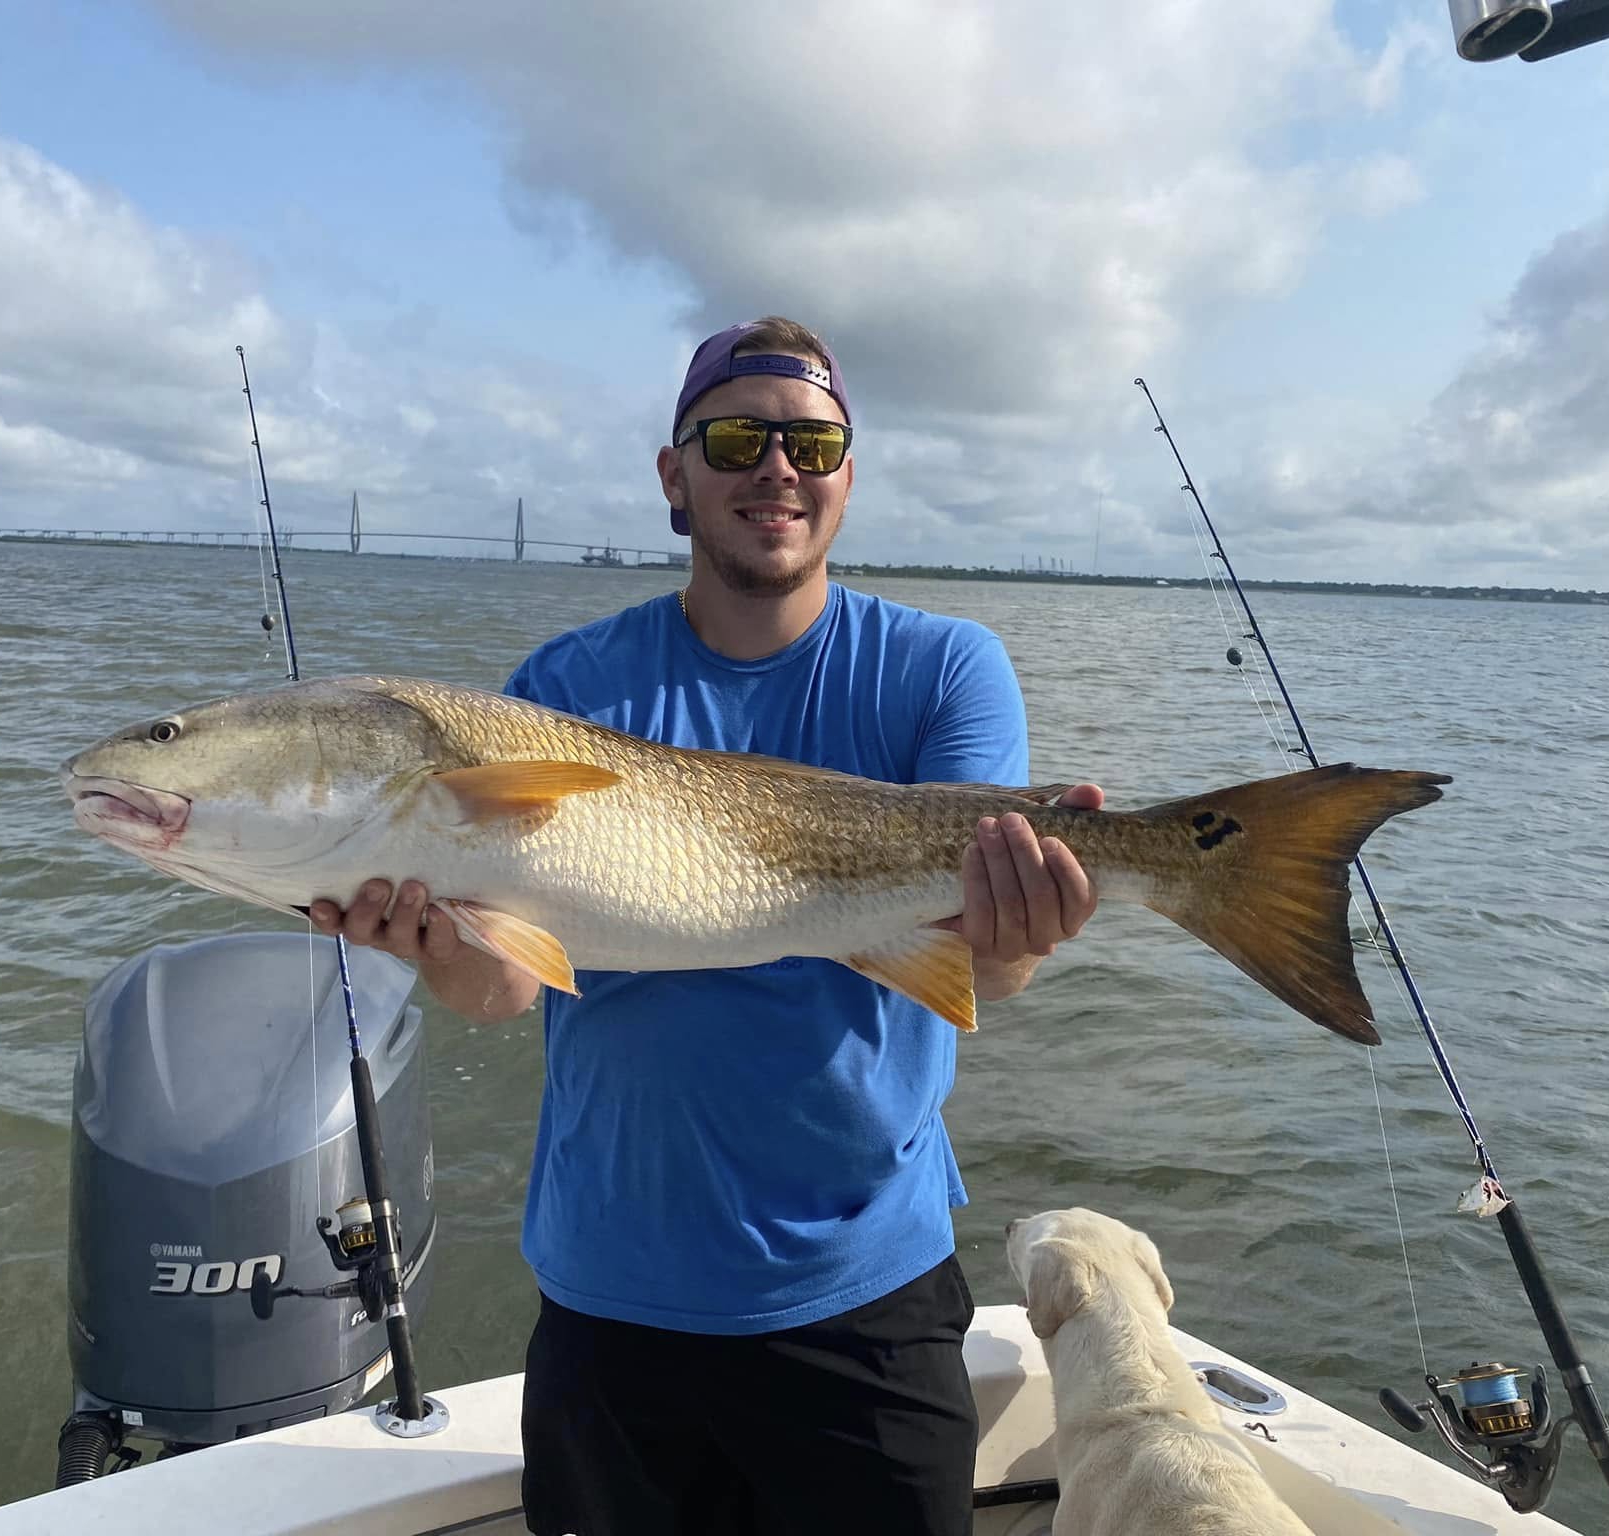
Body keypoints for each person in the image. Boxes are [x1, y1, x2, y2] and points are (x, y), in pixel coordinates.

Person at [309, 316, 1102, 1535]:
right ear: (673, 478)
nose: (773, 467)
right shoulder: (564, 689)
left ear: (846, 472)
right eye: (733, 439)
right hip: (614, 1304)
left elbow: (986, 969)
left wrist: (1025, 929)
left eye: (810, 440)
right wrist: (427, 942)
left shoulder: (945, 669)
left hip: (867, 1298)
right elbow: (505, 989)